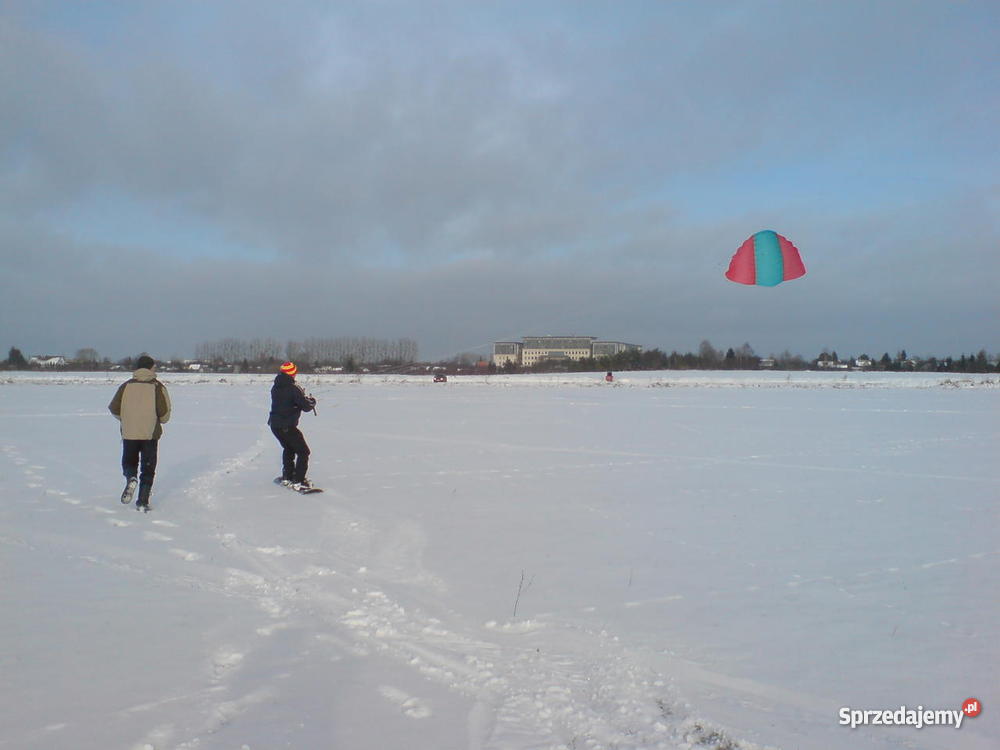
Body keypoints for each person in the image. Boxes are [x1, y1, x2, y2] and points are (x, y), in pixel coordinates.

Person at [108, 354, 172, 510]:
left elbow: (114, 408)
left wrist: (127, 419)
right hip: (150, 435)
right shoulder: (158, 387)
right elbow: (164, 415)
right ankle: (143, 501)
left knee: (129, 462)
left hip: (129, 433)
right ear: (151, 368)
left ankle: (131, 477)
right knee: (148, 468)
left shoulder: (125, 386)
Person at [268, 361, 317, 491]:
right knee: (303, 452)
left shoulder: (276, 386)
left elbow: (290, 401)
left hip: (275, 425)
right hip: (287, 425)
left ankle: (288, 476)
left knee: (289, 449)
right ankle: (298, 480)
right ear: (292, 373)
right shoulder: (293, 388)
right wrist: (312, 402)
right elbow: (306, 406)